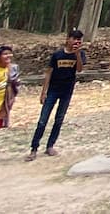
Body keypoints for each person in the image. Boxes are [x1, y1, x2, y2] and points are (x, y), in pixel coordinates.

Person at [26, 29, 86, 160]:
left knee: (59, 119)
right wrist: (43, 92)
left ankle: (50, 145)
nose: (76, 42)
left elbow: (80, 69)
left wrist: (77, 54)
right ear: (68, 39)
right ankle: (34, 148)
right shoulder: (57, 55)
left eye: (79, 40)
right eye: (74, 39)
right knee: (43, 120)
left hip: (67, 91)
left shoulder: (80, 54)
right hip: (53, 90)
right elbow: (49, 73)